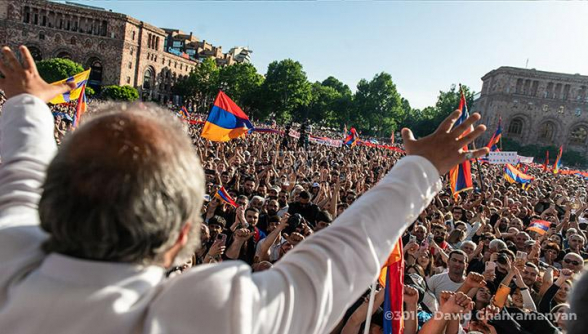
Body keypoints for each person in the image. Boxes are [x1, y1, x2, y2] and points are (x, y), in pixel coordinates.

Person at [0, 46, 489, 333]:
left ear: (51, 202)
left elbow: (18, 177)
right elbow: (339, 260)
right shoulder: (197, 315)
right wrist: (424, 167)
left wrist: (28, 100)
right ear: (180, 237)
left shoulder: (10, 249)